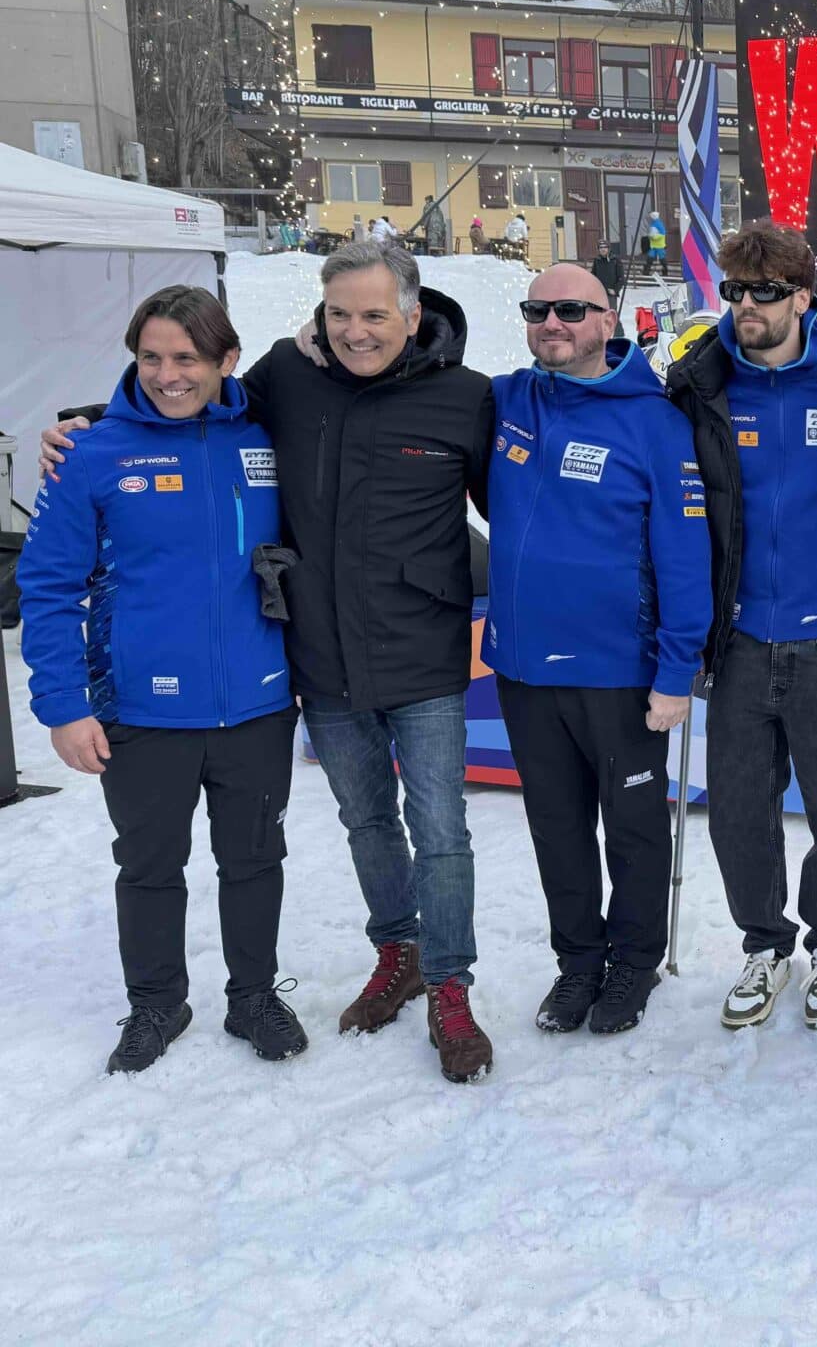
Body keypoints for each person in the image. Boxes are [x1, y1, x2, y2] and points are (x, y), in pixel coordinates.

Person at [43, 241, 497, 1084]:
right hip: (320, 660)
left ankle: (450, 986)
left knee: (441, 833)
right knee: (366, 825)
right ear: (317, 318)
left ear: (411, 311)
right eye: (339, 314)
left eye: (373, 314)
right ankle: (395, 953)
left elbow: (519, 507)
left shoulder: (466, 398)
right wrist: (83, 426)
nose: (356, 331)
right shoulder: (287, 378)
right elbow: (190, 394)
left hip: (422, 658)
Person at [19, 287, 307, 1075]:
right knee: (148, 867)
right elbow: (47, 587)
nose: (167, 376)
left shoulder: (268, 434)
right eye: (150, 358)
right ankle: (156, 1003)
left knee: (254, 860)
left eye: (186, 358)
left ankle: (252, 997)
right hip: (142, 709)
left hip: (257, 701)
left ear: (226, 361)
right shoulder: (91, 454)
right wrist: (63, 707)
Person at [665, 219, 817, 1030]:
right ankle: (766, 944)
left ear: (802, 295)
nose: (746, 306)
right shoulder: (699, 384)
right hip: (742, 642)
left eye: (764, 292)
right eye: (734, 291)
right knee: (738, 811)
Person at [485, 265, 713, 1037]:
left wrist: (677, 671)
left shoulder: (655, 422)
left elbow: (686, 559)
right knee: (557, 828)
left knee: (636, 829)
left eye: (572, 310)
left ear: (609, 319)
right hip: (520, 667)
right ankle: (579, 962)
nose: (553, 323)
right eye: (538, 310)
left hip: (621, 674)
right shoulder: (508, 399)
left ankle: (634, 964)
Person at [590, 241, 625, 310]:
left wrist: (615, 290)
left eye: (605, 247)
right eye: (601, 247)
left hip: (610, 293)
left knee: (610, 314)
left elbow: (621, 277)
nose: (603, 249)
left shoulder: (615, 260)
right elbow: (593, 276)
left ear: (608, 249)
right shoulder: (597, 260)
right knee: (599, 313)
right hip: (599, 292)